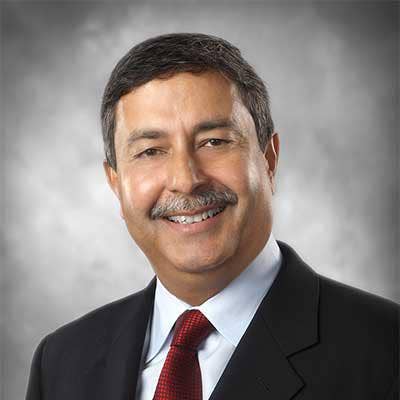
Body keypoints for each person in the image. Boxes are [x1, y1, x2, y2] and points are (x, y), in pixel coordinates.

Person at [25, 33, 398, 400]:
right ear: (116, 184)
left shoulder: (386, 352)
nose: (186, 180)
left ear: (269, 161)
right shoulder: (60, 363)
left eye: (214, 142)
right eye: (151, 151)